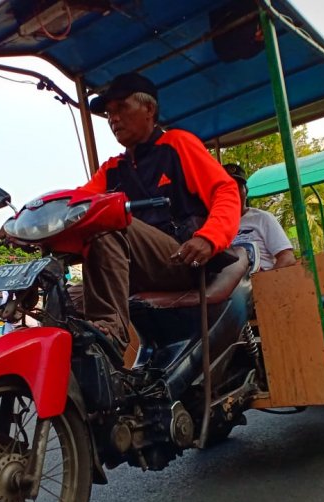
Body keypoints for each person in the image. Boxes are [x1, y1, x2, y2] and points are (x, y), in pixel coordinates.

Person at [74, 72, 240, 349]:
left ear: (149, 109)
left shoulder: (177, 144)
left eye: (121, 108)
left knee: (108, 219)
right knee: (65, 299)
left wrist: (209, 237)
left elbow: (225, 190)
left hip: (182, 257)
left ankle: (110, 331)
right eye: (109, 113)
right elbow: (76, 205)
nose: (113, 119)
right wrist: (22, 224)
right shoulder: (112, 168)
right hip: (137, 268)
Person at [225, 163, 296, 271]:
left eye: (237, 187)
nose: (233, 193)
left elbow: (287, 257)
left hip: (260, 280)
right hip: (226, 282)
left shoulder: (262, 218)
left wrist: (267, 282)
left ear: (246, 191)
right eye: (227, 188)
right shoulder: (212, 224)